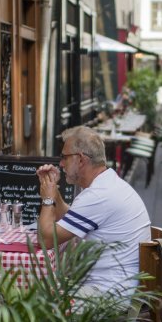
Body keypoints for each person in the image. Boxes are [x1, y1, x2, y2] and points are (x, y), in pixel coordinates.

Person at [36, 126, 151, 298]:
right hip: (120, 286)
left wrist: (47, 200)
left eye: (64, 157)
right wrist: (53, 189)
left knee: (35, 303)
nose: (60, 164)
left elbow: (46, 240)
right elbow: (69, 218)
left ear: (81, 160)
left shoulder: (98, 195)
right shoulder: (106, 183)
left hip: (107, 295)